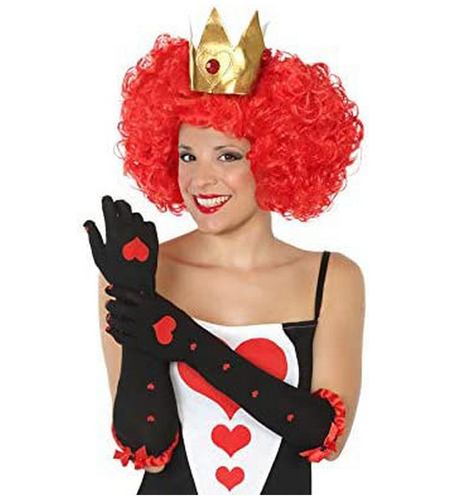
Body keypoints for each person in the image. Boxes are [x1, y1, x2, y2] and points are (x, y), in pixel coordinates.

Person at [87, 8, 365, 494]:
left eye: (228, 156)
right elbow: (146, 447)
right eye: (187, 156)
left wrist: (186, 339)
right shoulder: (141, 271)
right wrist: (136, 298)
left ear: (278, 159)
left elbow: (322, 435)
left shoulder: (330, 279)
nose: (201, 179)